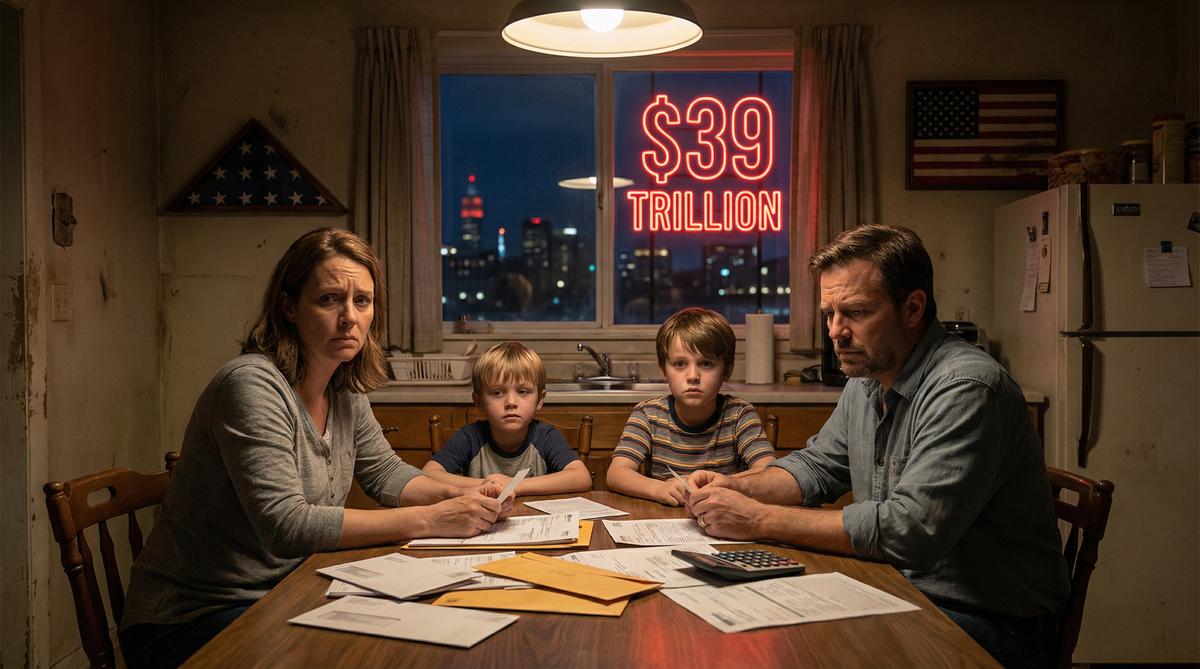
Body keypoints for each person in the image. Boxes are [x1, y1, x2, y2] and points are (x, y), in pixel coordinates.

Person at [119, 228, 511, 669]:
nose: (349, 317)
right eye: (329, 300)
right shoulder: (250, 385)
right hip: (191, 620)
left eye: (362, 301)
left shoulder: (343, 388)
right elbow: (286, 526)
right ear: (289, 307)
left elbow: (386, 474)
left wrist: (469, 492)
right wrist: (431, 520)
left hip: (287, 590)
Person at [686, 225, 1069, 668]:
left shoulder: (966, 388)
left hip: (990, 621)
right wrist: (738, 487)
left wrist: (758, 519)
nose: (836, 332)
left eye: (855, 312)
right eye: (829, 313)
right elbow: (819, 466)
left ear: (912, 308)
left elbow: (910, 531)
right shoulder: (870, 375)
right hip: (899, 588)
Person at [607, 307, 776, 505]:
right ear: (663, 369)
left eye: (706, 364)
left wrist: (727, 484)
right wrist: (658, 488)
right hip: (662, 522)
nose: (693, 376)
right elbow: (616, 473)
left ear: (727, 370)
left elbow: (768, 471)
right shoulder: (648, 414)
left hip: (723, 518)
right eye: (680, 364)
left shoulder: (739, 414)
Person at [422, 342, 592, 495]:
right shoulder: (470, 437)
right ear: (479, 401)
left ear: (540, 400)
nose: (511, 402)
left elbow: (581, 477)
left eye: (522, 391)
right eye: (497, 393)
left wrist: (513, 485)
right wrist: (485, 485)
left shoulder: (545, 437)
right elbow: (429, 474)